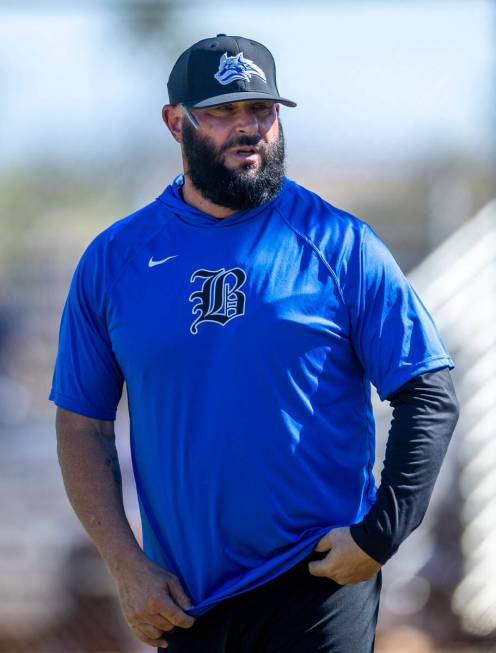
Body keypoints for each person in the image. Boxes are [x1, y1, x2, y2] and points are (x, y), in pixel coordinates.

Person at [49, 34, 459, 653]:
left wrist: (379, 536)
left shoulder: (339, 243)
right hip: (185, 604)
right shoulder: (115, 260)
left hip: (318, 584)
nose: (248, 129)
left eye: (260, 112)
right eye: (221, 112)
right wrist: (126, 567)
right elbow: (82, 424)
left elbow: (427, 391)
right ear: (174, 123)